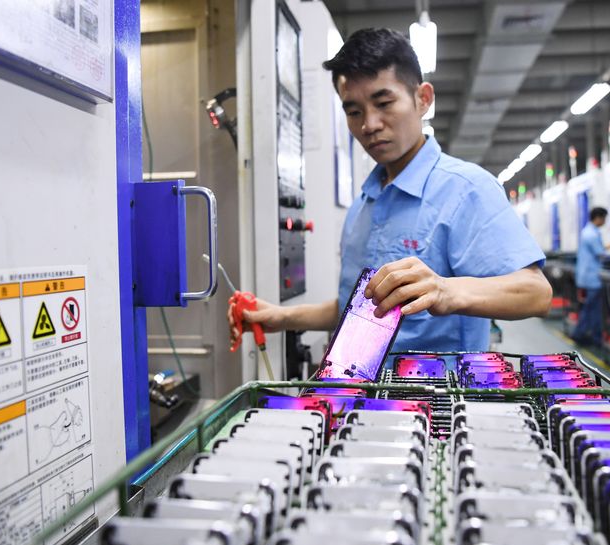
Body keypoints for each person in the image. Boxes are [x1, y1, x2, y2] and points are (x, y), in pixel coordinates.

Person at [229, 28, 551, 353]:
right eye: (354, 112)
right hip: (358, 384)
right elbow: (359, 309)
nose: (369, 125)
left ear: (423, 99)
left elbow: (536, 292)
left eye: (383, 103)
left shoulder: (465, 190)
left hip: (435, 386)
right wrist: (280, 317)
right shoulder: (363, 205)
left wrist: (444, 290)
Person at [571, 207, 610, 347]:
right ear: (598, 218)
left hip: (587, 276)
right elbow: (601, 253)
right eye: (604, 218)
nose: (605, 221)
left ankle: (594, 336)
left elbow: (600, 250)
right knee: (591, 308)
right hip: (591, 278)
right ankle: (580, 334)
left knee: (593, 308)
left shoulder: (589, 231)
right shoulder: (591, 234)